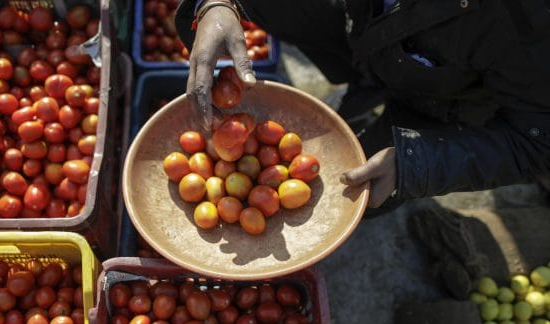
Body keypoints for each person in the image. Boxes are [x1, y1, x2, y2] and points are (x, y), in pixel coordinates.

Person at [175, 0, 550, 211]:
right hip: (360, 23)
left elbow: (536, 143)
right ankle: (363, 84)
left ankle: (386, 110)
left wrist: (413, 164)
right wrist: (217, 2)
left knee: (347, 196)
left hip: (444, 102)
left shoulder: (530, 25)